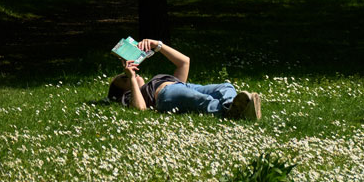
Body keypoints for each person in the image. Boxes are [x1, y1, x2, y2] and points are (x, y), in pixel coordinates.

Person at [108, 38, 261, 120]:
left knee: (226, 87)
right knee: (200, 99)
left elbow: (184, 62)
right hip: (164, 96)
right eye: (123, 78)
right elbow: (140, 109)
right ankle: (237, 111)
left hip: (183, 85)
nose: (127, 75)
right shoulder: (132, 96)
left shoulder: (155, 80)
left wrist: (158, 45)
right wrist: (132, 79)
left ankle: (231, 107)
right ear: (123, 91)